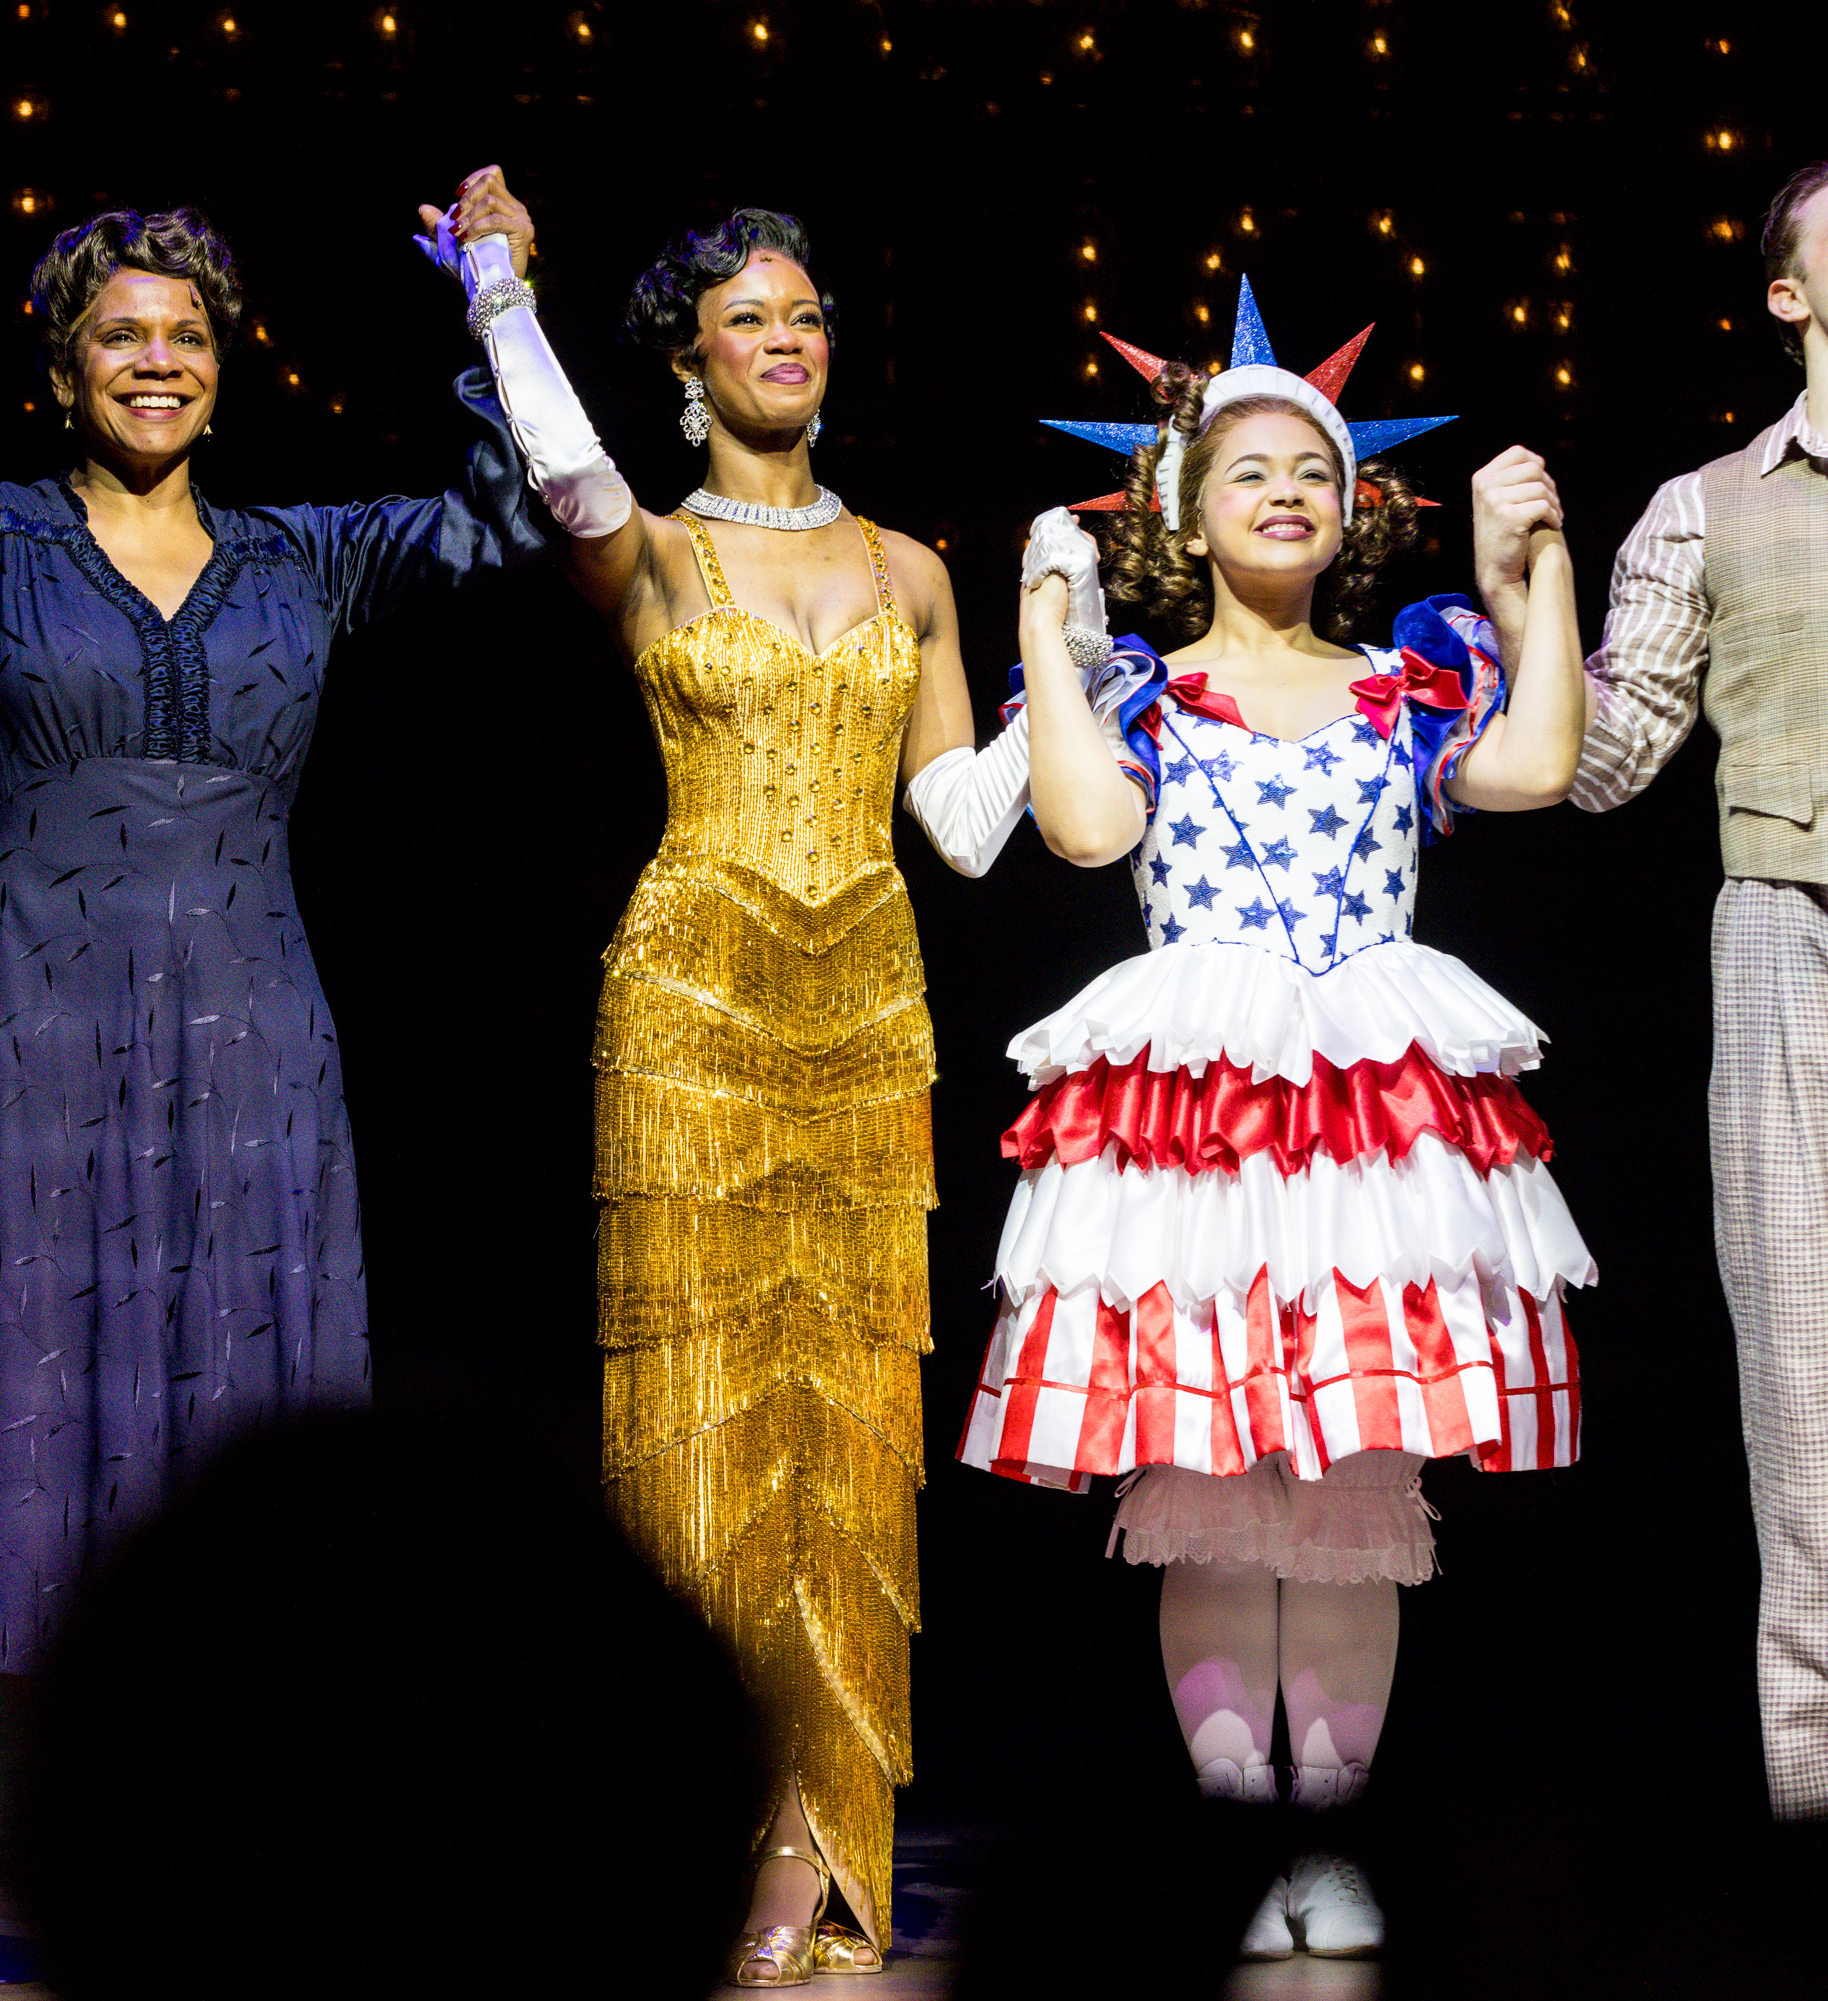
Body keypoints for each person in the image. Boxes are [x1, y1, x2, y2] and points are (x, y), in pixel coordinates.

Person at [0, 202, 553, 1678]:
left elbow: (510, 520)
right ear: (58, 373)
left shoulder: (310, 554)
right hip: (37, 1011)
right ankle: (100, 1802)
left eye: (188, 336)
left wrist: (499, 293)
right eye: (120, 336)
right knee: (59, 1371)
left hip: (254, 1023)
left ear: (227, 370)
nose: (157, 361)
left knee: (242, 1381)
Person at [410, 176, 1040, 1978]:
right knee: (697, 1439)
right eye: (751, 316)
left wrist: (1067, 669)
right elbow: (561, 476)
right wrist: (501, 296)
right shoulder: (659, 548)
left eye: (809, 314)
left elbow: (965, 832)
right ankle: (693, 1824)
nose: (787, 339)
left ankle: (829, 1837)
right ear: (690, 360)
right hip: (693, 1007)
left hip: (866, 1018)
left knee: (844, 1439)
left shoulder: (908, 567)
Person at [971, 279, 1593, 1959]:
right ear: (1182, 509)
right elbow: (1089, 834)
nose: (1283, 492)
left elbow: (1540, 767)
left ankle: (1332, 1841)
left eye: (1308, 470)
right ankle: (1233, 1853)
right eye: (1245, 471)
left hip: (1375, 1121)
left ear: (1350, 505)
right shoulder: (1145, 692)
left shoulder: (1413, 677)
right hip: (1200, 1111)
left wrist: (1529, 575)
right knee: (1212, 1489)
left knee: (1353, 1501)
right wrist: (1042, 614)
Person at [1569, 158, 1828, 1824]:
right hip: (1791, 936)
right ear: (1791, 292)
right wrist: (1516, 598)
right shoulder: (1707, 503)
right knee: (1810, 1409)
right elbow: (1600, 766)